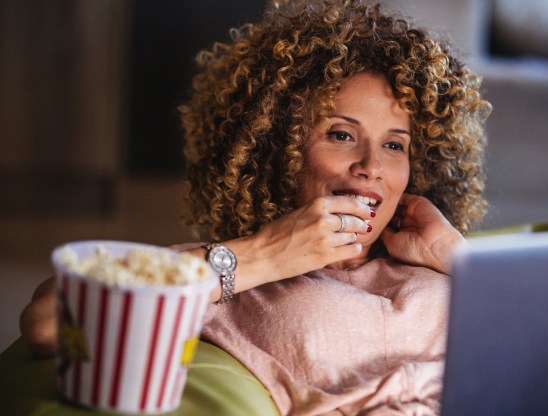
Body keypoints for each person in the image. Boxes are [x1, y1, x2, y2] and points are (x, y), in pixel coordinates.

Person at [20, 0, 491, 413]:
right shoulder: (241, 280)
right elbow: (48, 322)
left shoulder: (444, 261)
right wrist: (265, 254)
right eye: (341, 135)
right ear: (277, 149)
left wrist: (455, 256)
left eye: (394, 145)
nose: (372, 166)